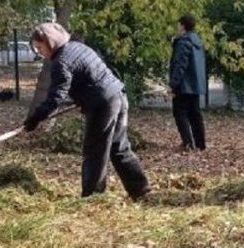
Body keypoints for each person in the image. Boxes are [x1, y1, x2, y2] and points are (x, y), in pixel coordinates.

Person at [23, 22, 151, 199]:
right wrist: (84, 99)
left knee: (94, 151)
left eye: (39, 47)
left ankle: (93, 197)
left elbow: (56, 97)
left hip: (103, 104)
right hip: (118, 95)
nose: (39, 52)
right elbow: (90, 74)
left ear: (50, 41)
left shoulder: (61, 61)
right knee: (118, 147)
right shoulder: (77, 47)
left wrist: (35, 118)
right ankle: (141, 190)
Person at [168, 14, 207, 152]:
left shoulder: (183, 42)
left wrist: (173, 84)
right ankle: (200, 144)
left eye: (178, 25)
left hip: (183, 85)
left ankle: (188, 144)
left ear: (182, 26)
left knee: (180, 114)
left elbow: (180, 65)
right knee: (195, 115)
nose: (177, 28)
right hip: (195, 85)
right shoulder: (197, 41)